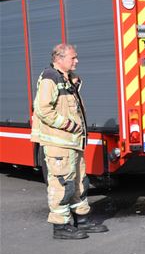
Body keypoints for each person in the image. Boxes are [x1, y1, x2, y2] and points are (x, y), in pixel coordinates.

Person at [31, 44, 108, 240]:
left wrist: (75, 82)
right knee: (62, 185)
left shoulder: (64, 78)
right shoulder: (50, 78)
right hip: (60, 143)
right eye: (73, 58)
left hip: (73, 143)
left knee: (79, 182)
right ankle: (61, 226)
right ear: (59, 58)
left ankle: (81, 219)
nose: (77, 61)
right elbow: (43, 110)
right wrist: (68, 125)